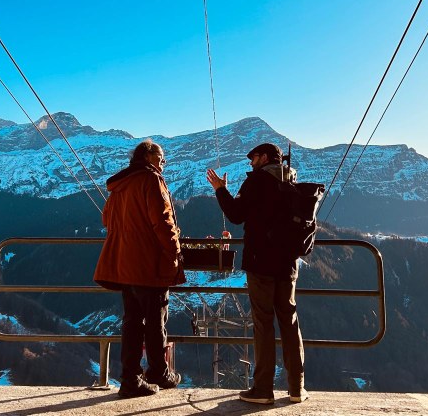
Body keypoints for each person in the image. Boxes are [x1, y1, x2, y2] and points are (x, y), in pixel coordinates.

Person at [206, 143, 307, 405]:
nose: (251, 163)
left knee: (263, 324)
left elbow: (236, 214)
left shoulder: (257, 182)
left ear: (264, 158)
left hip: (261, 262)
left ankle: (263, 389)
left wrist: (220, 190)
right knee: (289, 321)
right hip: (288, 263)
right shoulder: (292, 180)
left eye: (253, 158)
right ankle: (297, 387)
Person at [94, 139, 185, 398]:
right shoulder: (151, 180)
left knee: (132, 321)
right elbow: (163, 221)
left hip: (125, 264)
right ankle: (158, 372)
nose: (163, 164)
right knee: (156, 320)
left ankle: (131, 378)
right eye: (161, 158)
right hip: (149, 263)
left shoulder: (120, 184)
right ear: (148, 157)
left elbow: (106, 218)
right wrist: (175, 251)